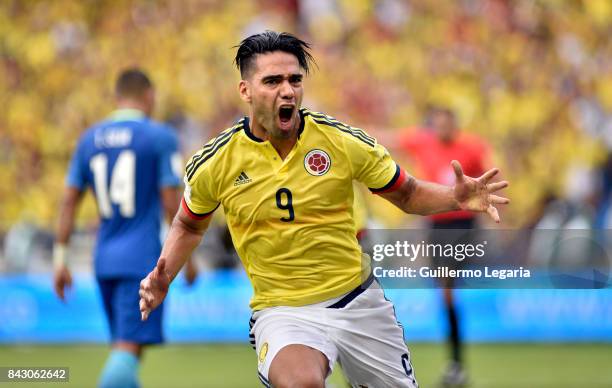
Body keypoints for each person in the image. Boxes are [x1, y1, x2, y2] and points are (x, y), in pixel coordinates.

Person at [139, 31, 509, 388]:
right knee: (301, 383)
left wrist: (454, 197)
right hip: (283, 310)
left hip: (358, 301)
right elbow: (188, 225)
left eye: (294, 80)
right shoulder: (215, 162)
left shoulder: (341, 141)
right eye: (272, 81)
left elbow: (407, 193)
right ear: (245, 91)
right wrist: (164, 275)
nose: (287, 90)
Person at [53, 68, 196, 388]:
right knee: (126, 353)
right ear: (149, 96)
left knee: (127, 348)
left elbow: (68, 202)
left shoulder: (88, 139)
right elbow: (172, 203)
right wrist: (187, 258)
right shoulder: (160, 137)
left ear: (117, 98)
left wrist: (60, 259)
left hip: (104, 260)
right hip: (143, 259)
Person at [399, 107, 494, 387]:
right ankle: (456, 364)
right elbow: (388, 138)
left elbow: (488, 176)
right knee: (445, 292)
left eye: (446, 123)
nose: (441, 129)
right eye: (437, 124)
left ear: (454, 125)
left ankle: (456, 364)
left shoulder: (471, 147)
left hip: (462, 224)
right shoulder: (422, 140)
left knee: (448, 290)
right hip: (436, 226)